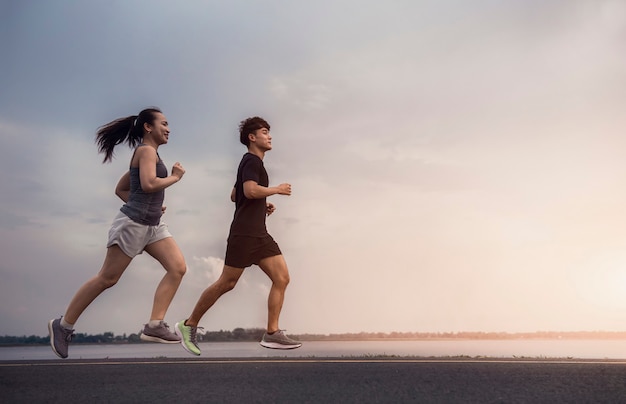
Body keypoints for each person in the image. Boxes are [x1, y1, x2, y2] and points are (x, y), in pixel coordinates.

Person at [48, 107, 187, 359]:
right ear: (148, 127)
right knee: (107, 279)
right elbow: (148, 184)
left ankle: (155, 325)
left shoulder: (151, 154)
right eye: (164, 123)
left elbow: (123, 188)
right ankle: (63, 325)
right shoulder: (145, 151)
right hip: (132, 224)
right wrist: (175, 178)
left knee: (177, 268)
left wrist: (152, 205)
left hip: (152, 225)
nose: (168, 129)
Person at [175, 116, 301, 355]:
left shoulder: (250, 163)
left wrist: (261, 204)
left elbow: (236, 195)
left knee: (282, 278)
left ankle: (272, 333)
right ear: (252, 137)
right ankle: (188, 325)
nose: (270, 136)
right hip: (244, 234)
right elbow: (249, 190)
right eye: (265, 132)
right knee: (227, 283)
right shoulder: (252, 161)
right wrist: (276, 190)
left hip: (259, 234)